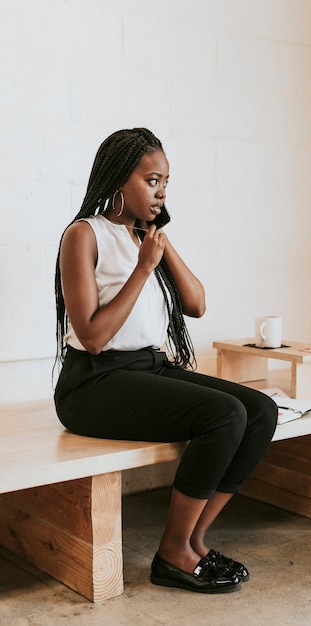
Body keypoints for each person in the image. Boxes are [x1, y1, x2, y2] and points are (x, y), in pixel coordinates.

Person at [54, 127, 278, 594]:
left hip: (148, 369)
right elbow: (92, 338)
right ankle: (173, 553)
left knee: (260, 411)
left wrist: (159, 243)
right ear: (119, 179)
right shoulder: (83, 235)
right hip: (93, 384)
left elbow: (196, 305)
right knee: (223, 415)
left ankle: (194, 540)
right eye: (152, 180)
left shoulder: (148, 238)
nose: (160, 192)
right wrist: (142, 268)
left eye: (166, 183)